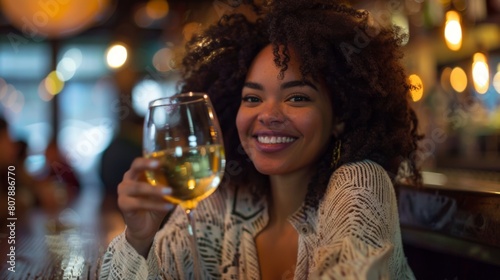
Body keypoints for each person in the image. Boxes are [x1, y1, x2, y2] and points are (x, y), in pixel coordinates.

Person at [98, 0, 422, 279]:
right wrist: (139, 239)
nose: (267, 115)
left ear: (339, 116)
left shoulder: (359, 182)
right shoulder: (221, 200)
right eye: (252, 99)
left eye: (297, 98)